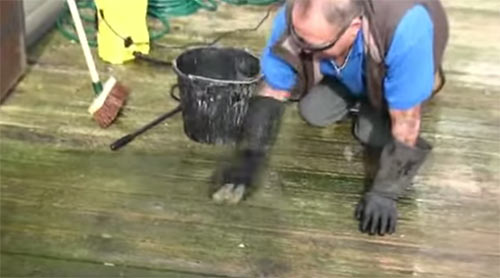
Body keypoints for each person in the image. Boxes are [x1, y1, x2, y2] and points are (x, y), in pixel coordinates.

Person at [212, 0, 449, 236]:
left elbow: (407, 122)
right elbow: (273, 89)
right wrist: (251, 156)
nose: (302, 50)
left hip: (391, 64)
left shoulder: (407, 29)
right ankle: (350, 82)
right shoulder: (292, 17)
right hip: (344, 64)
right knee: (313, 111)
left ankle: (403, 86)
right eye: (298, 39)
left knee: (371, 133)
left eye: (312, 44)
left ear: (354, 26)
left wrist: (385, 192)